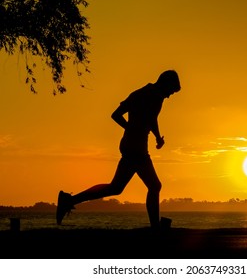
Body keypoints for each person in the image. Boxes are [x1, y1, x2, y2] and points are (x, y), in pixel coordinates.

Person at [56, 70, 181, 229]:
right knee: (154, 186)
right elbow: (119, 115)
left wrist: (156, 136)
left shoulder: (149, 95)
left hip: (134, 145)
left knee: (116, 187)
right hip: (134, 147)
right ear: (166, 84)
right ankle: (155, 228)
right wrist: (131, 129)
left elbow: (149, 118)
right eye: (171, 91)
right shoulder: (148, 95)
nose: (170, 95)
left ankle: (69, 201)